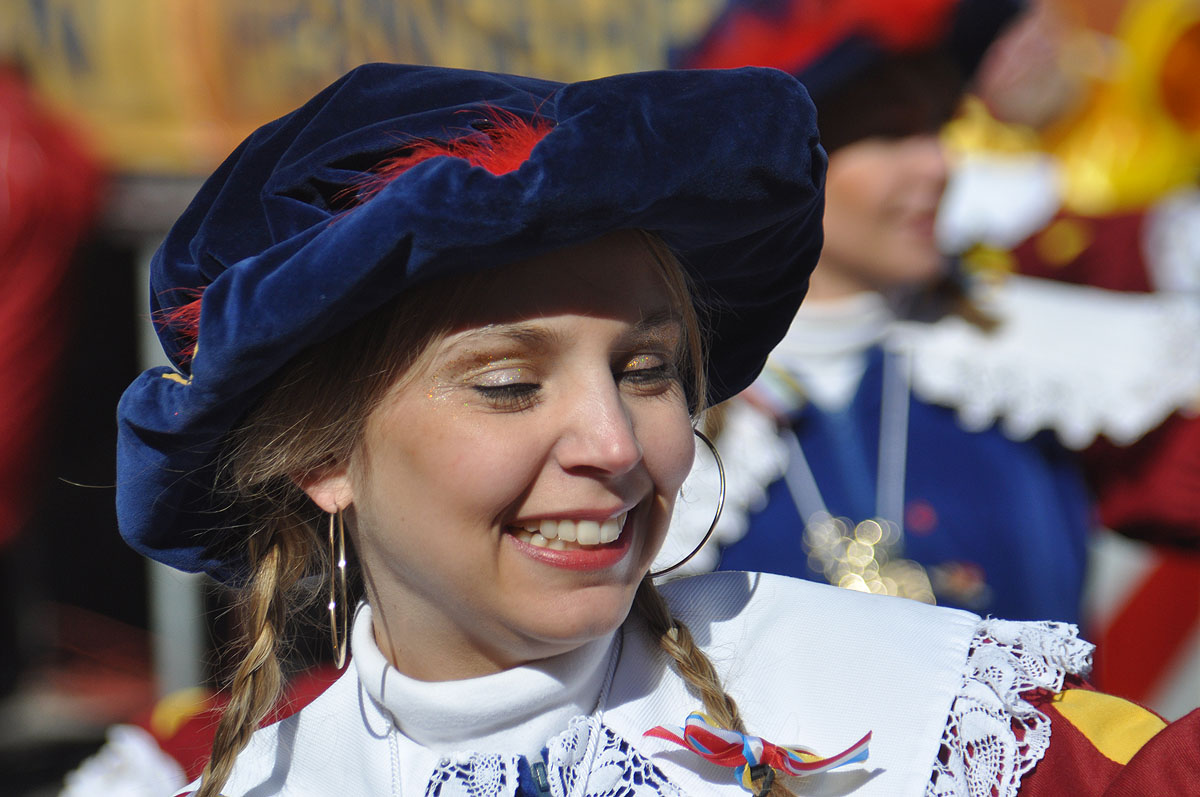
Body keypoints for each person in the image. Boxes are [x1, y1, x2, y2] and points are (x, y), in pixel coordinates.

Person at [115, 62, 1196, 796]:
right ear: (321, 452)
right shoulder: (266, 772)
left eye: (647, 369)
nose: (617, 444)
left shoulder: (939, 723)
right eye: (506, 383)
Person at [664, 0, 1200, 629]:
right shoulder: (668, 399)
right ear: (770, 166)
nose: (940, 164)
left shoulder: (1029, 357)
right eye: (893, 132)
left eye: (941, 125)